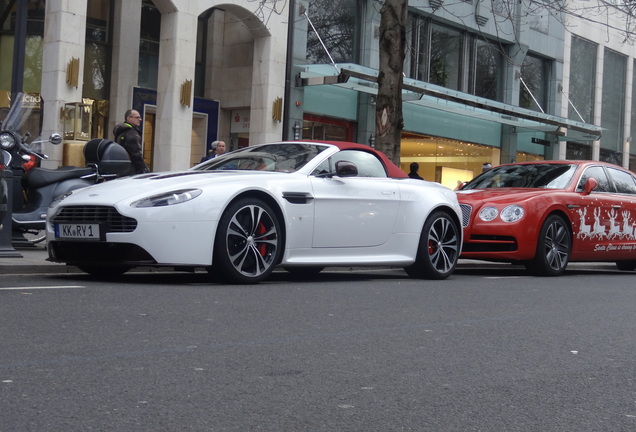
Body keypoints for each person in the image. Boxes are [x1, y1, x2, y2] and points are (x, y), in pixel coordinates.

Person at [113, 109, 149, 174]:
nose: (140, 119)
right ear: (129, 118)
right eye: (137, 117)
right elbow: (136, 154)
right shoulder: (131, 133)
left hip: (120, 168)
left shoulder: (121, 131)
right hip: (131, 170)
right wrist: (144, 169)